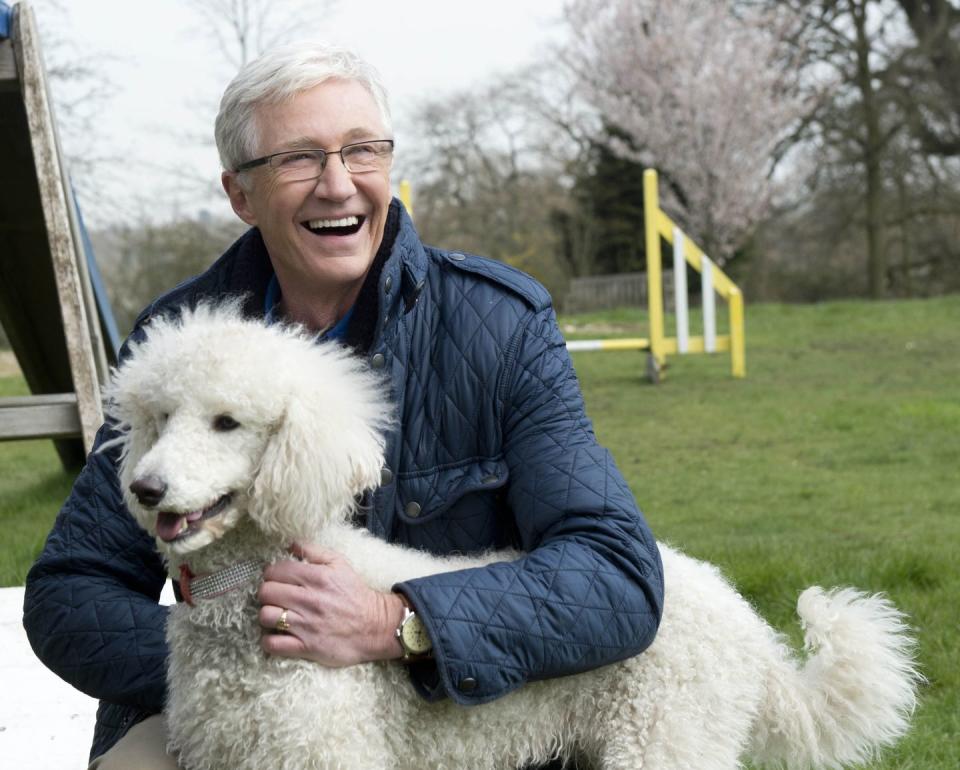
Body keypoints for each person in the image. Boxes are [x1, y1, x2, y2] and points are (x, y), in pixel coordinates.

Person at [23, 42, 664, 769]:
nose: (338, 185)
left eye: (362, 150)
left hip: (459, 715)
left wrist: (397, 625)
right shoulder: (177, 348)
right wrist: (240, 656)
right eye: (299, 158)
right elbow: (68, 595)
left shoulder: (502, 325)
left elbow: (615, 577)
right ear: (240, 194)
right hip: (220, 714)